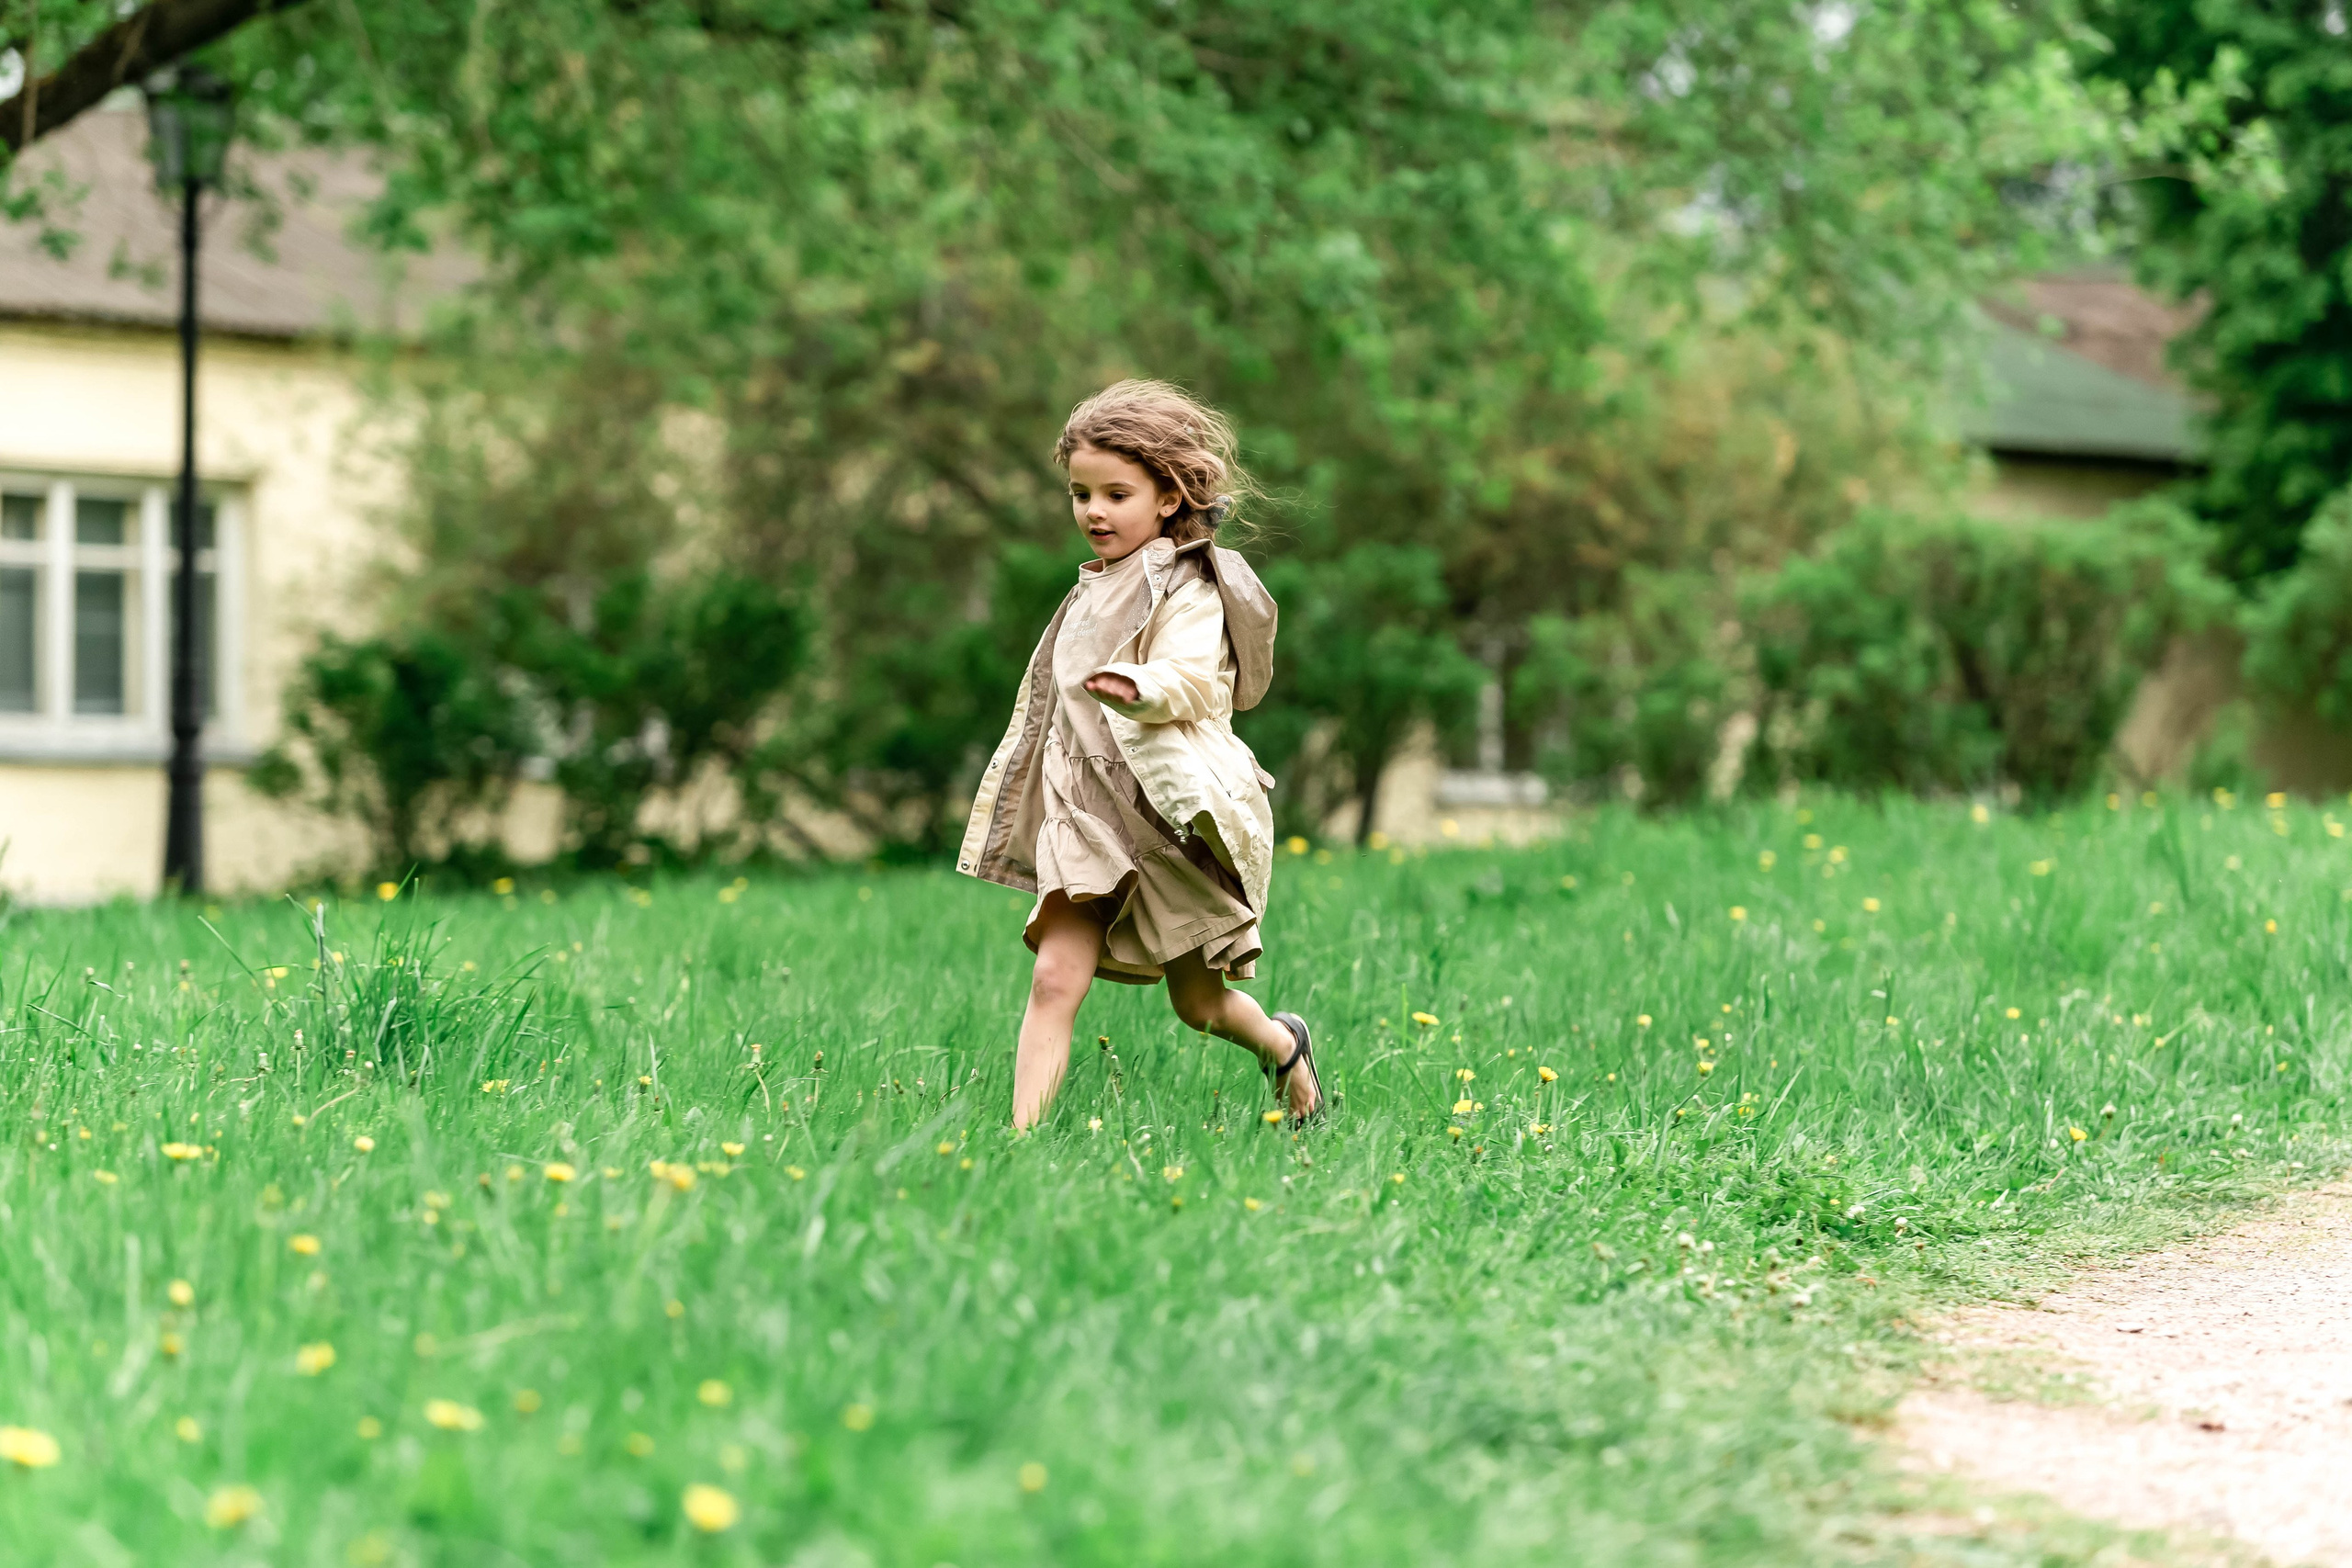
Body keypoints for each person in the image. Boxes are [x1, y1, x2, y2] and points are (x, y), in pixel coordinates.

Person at [958, 379, 1323, 1131]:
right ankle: (1019, 1141)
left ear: (1167, 497)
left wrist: (1140, 684)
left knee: (1199, 1004)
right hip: (1085, 818)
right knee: (1055, 978)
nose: (1093, 510)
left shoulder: (1189, 588)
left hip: (1163, 820)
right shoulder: (1087, 590)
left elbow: (1192, 679)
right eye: (1080, 492)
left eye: (1115, 493)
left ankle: (1285, 1047)